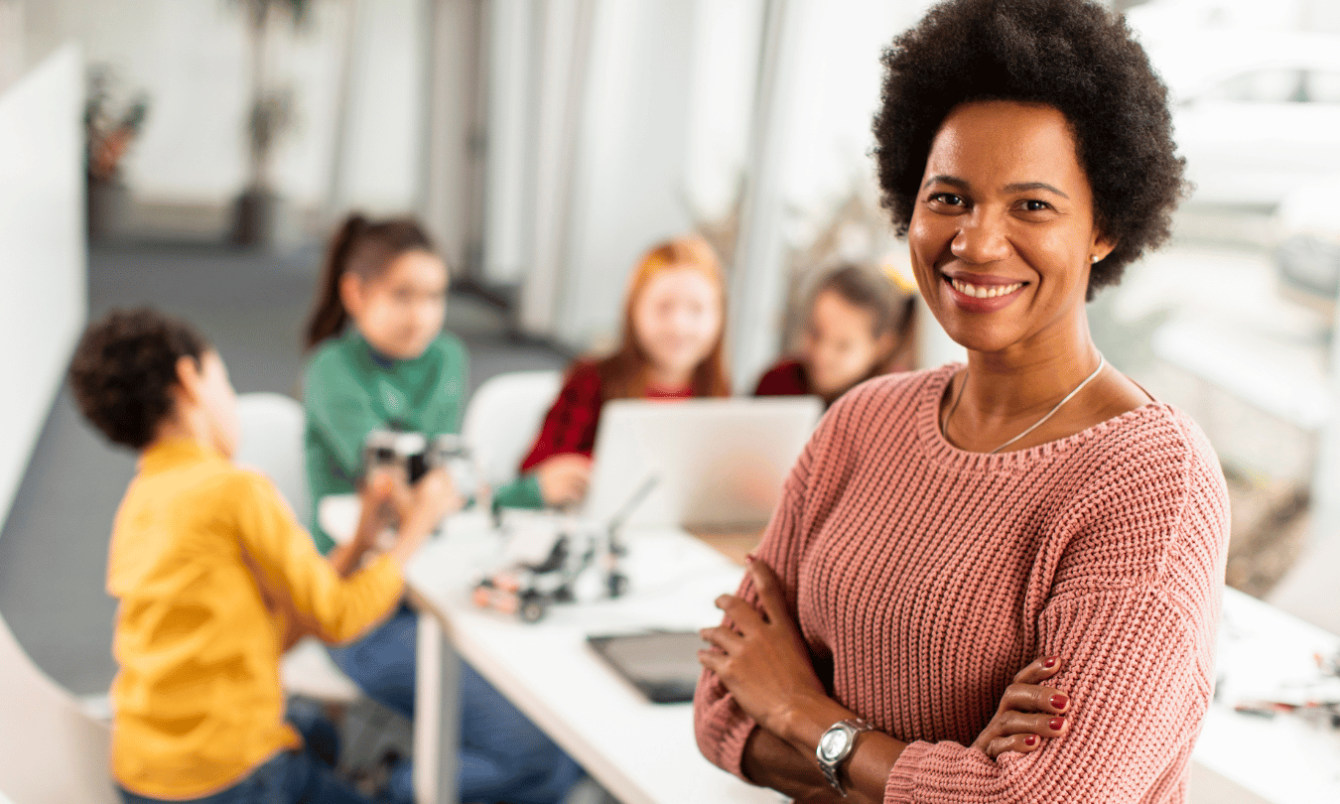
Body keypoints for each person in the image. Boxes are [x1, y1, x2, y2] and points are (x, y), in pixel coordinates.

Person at [694, 1, 1229, 802]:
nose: (976, 242)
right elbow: (721, 714)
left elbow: (1038, 802)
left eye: (1033, 205)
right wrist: (951, 775)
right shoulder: (861, 422)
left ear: (1104, 228)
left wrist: (805, 711)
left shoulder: (1152, 484)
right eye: (949, 197)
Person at [69, 308, 455, 804]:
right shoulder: (236, 490)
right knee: (317, 748)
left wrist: (359, 544)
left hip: (140, 771)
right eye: (225, 382)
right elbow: (337, 619)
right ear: (190, 379)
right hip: (227, 778)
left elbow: (262, 627)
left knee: (315, 730)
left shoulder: (142, 500)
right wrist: (415, 531)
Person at [301, 214, 583, 804]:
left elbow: (442, 491)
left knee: (569, 734)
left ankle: (401, 781)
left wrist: (514, 491)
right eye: (402, 295)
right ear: (355, 294)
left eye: (435, 296)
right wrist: (496, 492)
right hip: (363, 606)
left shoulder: (446, 358)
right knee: (541, 758)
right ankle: (391, 789)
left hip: (441, 585)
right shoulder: (332, 369)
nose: (421, 315)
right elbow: (408, 496)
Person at [501, 233, 732, 510]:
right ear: (633, 309)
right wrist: (564, 477)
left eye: (697, 309)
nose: (679, 326)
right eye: (663, 307)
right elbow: (534, 473)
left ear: (720, 316)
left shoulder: (719, 391)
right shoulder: (591, 381)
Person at [753, 263, 916, 408]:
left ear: (881, 347)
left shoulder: (896, 403)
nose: (822, 354)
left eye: (842, 346)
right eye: (815, 333)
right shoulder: (777, 383)